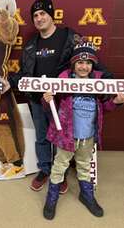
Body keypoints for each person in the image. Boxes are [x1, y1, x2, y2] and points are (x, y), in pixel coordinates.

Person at [3, 0, 113, 193]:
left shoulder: (69, 37)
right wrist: (8, 83)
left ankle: (59, 173)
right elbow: (24, 74)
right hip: (38, 101)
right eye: (35, 15)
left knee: (62, 138)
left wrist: (110, 82)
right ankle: (45, 170)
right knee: (42, 137)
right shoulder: (30, 45)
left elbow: (87, 60)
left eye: (43, 13)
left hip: (63, 101)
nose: (39, 18)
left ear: (51, 15)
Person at [42, 41, 124, 220]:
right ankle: (52, 198)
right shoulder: (64, 80)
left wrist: (116, 102)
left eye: (88, 63)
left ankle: (86, 195)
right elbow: (51, 108)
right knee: (59, 167)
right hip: (66, 136)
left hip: (87, 137)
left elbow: (105, 108)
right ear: (73, 64)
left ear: (92, 65)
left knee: (84, 166)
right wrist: (47, 99)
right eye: (79, 62)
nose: (83, 66)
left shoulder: (98, 83)